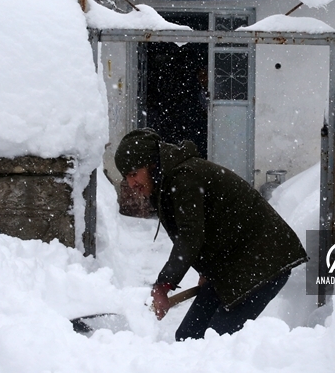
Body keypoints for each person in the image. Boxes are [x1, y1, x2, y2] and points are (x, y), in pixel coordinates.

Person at [115, 128, 307, 341]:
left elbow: (190, 235)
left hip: (262, 261)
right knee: (188, 337)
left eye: (134, 174)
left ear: (151, 164)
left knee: (215, 341)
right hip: (229, 266)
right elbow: (209, 225)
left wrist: (164, 285)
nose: (131, 184)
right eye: (127, 177)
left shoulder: (184, 177)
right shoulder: (168, 181)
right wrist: (207, 269)